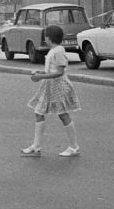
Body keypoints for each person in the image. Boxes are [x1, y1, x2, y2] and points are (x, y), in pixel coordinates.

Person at [21, 25, 81, 157]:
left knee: (62, 114)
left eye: (46, 37)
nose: (45, 39)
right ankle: (36, 145)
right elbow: (52, 71)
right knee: (39, 112)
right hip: (49, 86)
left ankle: (74, 146)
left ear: (49, 38)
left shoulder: (59, 51)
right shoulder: (54, 50)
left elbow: (59, 72)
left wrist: (41, 76)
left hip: (58, 86)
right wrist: (40, 73)